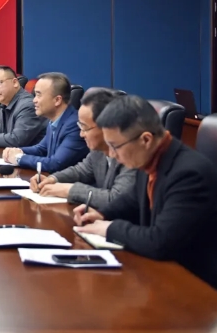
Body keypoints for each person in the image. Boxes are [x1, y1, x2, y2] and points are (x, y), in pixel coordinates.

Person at [74, 95, 217, 289]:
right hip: (161, 274)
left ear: (146, 139)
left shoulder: (189, 174)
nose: (112, 154)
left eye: (115, 146)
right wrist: (102, 214)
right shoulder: (151, 159)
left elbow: (160, 242)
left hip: (196, 286)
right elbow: (132, 199)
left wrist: (109, 228)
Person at [30, 88, 136, 208]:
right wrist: (52, 179)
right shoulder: (98, 150)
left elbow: (115, 199)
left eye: (85, 128)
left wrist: (69, 190)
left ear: (107, 127)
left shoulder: (132, 153)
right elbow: (82, 170)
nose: (81, 134)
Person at [2, 72, 88, 173]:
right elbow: (41, 149)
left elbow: (55, 164)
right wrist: (16, 151)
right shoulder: (53, 120)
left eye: (38, 95)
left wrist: (19, 158)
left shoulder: (74, 125)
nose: (34, 100)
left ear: (57, 100)